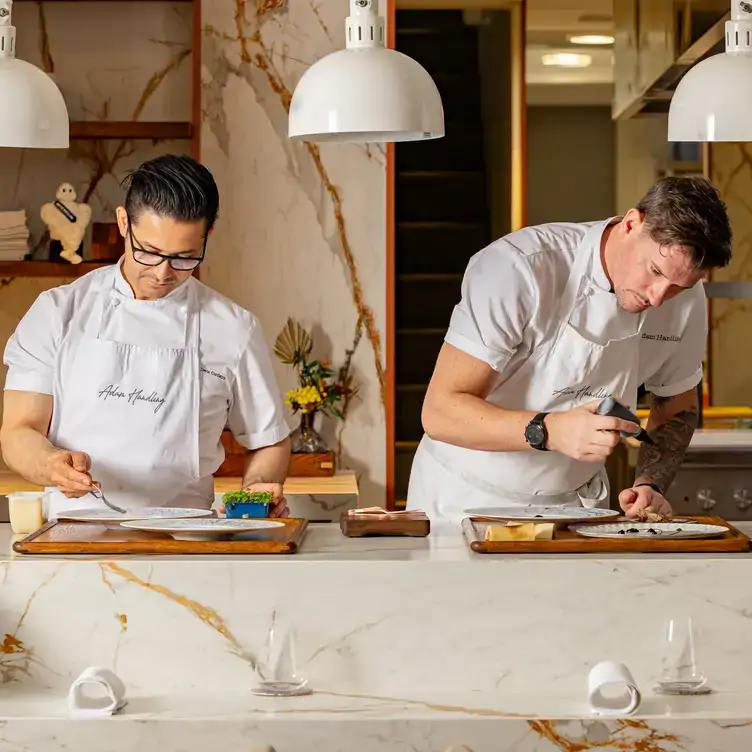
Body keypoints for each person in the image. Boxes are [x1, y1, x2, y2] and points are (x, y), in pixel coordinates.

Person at [407, 176, 732, 522]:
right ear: (631, 224)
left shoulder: (685, 299)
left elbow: (677, 404)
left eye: (678, 287)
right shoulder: (520, 268)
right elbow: (440, 412)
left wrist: (651, 483)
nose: (658, 297)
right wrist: (549, 431)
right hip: (464, 500)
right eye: (654, 270)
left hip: (576, 510)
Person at [1, 155, 291, 519]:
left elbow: (269, 441)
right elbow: (17, 432)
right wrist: (50, 463)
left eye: (185, 257)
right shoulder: (58, 311)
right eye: (148, 252)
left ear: (207, 236)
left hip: (186, 540)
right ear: (124, 223)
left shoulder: (233, 328)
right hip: (71, 534)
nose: (163, 273)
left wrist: (258, 489)